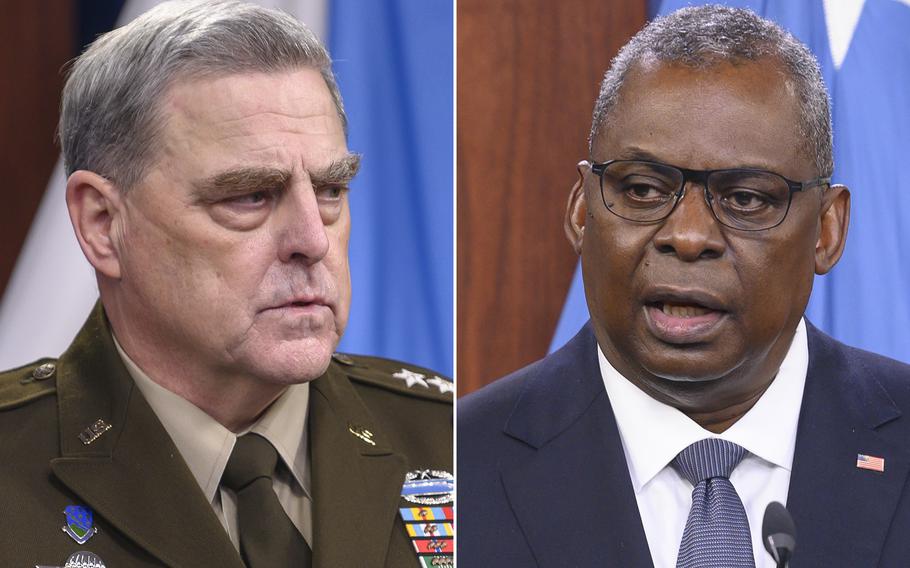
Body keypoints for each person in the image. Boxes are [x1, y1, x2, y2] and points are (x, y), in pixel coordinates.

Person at [0, 2, 452, 567]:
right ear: (103, 224)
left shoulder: (454, 436)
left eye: (331, 190)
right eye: (249, 196)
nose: (313, 240)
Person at [458, 5, 910, 568]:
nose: (689, 236)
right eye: (644, 189)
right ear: (581, 212)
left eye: (746, 198)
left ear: (826, 230)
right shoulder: (458, 467)